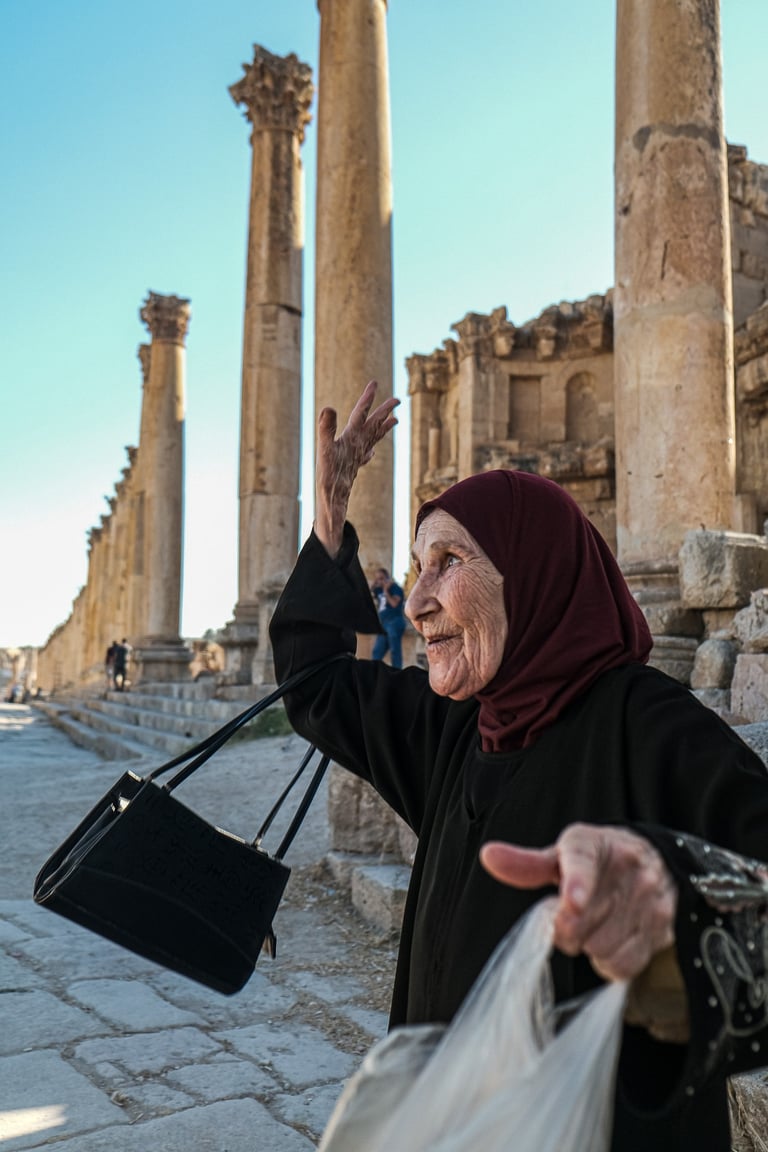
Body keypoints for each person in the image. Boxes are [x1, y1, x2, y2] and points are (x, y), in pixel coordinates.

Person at [270, 380, 768, 1150]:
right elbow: (315, 687)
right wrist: (331, 520)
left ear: (533, 573)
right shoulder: (457, 725)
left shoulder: (647, 726)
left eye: (448, 562)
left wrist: (676, 896)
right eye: (417, 567)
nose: (418, 601)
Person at [370, 567, 406, 668]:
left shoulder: (395, 588)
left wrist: (386, 591)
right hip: (383, 624)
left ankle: (397, 672)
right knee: (376, 652)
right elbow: (368, 594)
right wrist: (374, 585)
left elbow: (394, 604)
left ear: (387, 578)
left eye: (382, 578)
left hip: (394, 622)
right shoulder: (378, 590)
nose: (380, 581)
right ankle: (374, 673)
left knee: (395, 651)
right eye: (377, 579)